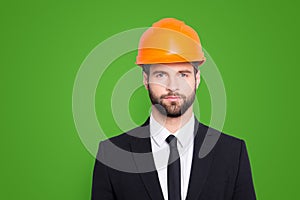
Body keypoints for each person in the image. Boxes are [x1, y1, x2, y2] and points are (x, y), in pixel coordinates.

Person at [91, 18, 256, 200]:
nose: (172, 86)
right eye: (161, 74)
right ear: (145, 79)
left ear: (197, 78)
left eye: (183, 74)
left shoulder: (232, 153)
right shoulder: (111, 155)